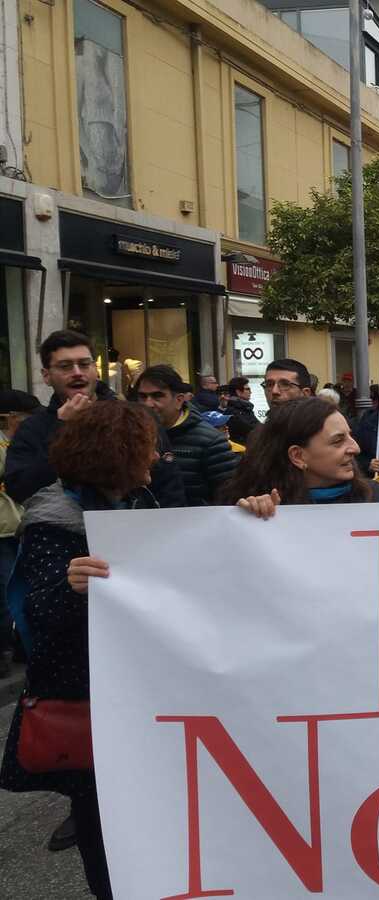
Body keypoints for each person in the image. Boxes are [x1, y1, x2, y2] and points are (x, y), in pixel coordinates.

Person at [0, 401, 167, 900]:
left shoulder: (138, 501)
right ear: (118, 454)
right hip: (84, 693)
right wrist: (71, 586)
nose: (157, 456)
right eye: (147, 447)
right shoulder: (53, 518)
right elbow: (39, 614)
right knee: (101, 824)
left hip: (135, 688)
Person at [3, 330, 186, 508]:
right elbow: (21, 489)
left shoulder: (137, 417)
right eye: (65, 366)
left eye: (84, 364)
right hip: (66, 531)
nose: (77, 373)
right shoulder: (34, 428)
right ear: (46, 376)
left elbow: (168, 483)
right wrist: (62, 429)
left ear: (95, 371)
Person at [222, 397, 379, 513]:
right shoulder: (262, 506)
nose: (355, 448)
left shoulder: (378, 497)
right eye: (338, 441)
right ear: (298, 456)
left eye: (350, 435)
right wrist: (251, 522)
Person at [134, 365, 238, 506]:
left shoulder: (210, 441)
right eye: (142, 396)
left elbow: (231, 497)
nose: (148, 404)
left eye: (157, 396)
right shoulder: (132, 437)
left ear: (179, 400)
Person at [0, 389, 41, 677]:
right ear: (10, 418)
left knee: (20, 588)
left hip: (18, 527)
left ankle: (16, 645)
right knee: (5, 590)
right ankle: (6, 649)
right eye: (26, 419)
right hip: (3, 532)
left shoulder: (17, 444)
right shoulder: (7, 447)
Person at [223, 376, 259, 441]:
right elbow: (253, 430)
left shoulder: (244, 408)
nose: (250, 392)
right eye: (247, 389)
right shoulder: (233, 411)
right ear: (238, 392)